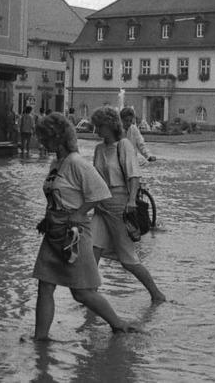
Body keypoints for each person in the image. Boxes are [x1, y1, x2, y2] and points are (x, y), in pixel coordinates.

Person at [32, 112, 138, 340]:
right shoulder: (56, 163)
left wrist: (78, 213)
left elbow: (101, 192)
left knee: (81, 292)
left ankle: (119, 325)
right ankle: (40, 339)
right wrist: (47, 217)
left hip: (73, 235)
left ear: (58, 138)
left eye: (45, 138)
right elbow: (56, 195)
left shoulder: (76, 163)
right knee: (45, 285)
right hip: (53, 231)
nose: (41, 142)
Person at [89, 107, 165, 303]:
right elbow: (94, 178)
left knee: (128, 259)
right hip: (100, 206)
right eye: (95, 126)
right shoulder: (98, 149)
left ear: (110, 126)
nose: (96, 130)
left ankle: (156, 294)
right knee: (92, 253)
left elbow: (133, 176)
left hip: (119, 205)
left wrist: (131, 201)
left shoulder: (124, 146)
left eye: (100, 126)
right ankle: (90, 297)